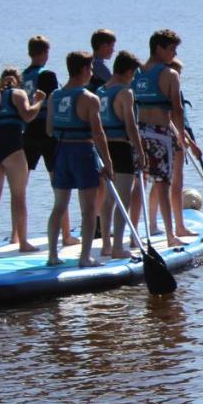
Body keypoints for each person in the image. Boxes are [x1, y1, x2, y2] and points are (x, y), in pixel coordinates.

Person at [45, 51, 114, 267]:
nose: (92, 73)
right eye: (91, 70)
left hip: (61, 152)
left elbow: (49, 130)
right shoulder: (89, 98)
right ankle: (85, 257)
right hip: (83, 154)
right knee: (88, 209)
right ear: (84, 69)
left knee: (59, 206)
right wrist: (108, 161)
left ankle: (52, 256)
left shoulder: (54, 96)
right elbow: (98, 133)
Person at [133, 29, 193, 251]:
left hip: (139, 133)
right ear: (159, 48)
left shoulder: (136, 73)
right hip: (160, 134)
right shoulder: (170, 74)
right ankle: (170, 235)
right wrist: (181, 137)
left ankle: (133, 236)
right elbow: (177, 110)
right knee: (162, 184)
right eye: (171, 49)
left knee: (139, 183)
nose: (174, 53)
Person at [0, 61, 46, 252]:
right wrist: (39, 101)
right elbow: (27, 116)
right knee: (18, 196)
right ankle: (22, 242)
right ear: (18, 81)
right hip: (12, 146)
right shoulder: (18, 93)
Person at [21, 35, 78, 247]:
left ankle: (20, 236)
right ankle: (66, 235)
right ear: (45, 53)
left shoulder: (22, 76)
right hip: (47, 133)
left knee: (20, 187)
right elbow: (57, 101)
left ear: (30, 53)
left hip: (27, 133)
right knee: (59, 184)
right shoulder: (48, 75)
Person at [97, 51, 147, 258]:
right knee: (122, 198)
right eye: (133, 73)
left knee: (108, 198)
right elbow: (131, 125)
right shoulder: (125, 93)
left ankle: (106, 245)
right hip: (121, 148)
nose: (134, 77)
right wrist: (140, 151)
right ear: (127, 71)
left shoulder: (100, 91)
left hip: (103, 149)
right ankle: (118, 246)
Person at [161, 57, 202, 237]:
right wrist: (191, 144)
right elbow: (174, 119)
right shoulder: (172, 91)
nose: (180, 77)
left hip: (163, 138)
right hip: (173, 139)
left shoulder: (160, 89)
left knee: (160, 182)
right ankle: (179, 227)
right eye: (178, 73)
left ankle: (156, 223)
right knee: (175, 182)